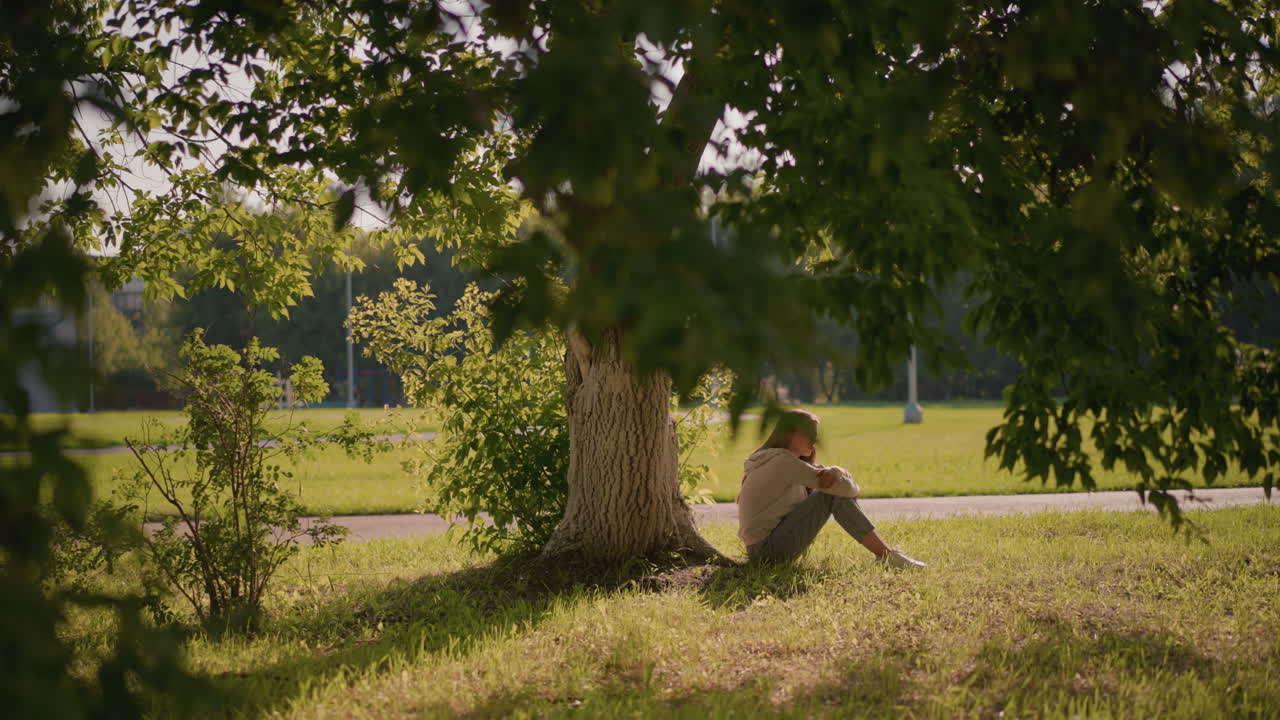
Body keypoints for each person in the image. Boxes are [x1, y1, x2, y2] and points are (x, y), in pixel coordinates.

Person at [737, 409, 926, 568]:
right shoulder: (783, 462)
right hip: (767, 553)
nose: (814, 441)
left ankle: (887, 555)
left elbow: (829, 478)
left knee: (830, 492)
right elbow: (847, 491)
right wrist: (839, 476)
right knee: (830, 496)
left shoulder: (771, 459)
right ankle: (887, 556)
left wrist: (836, 471)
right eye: (808, 435)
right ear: (790, 434)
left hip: (762, 551)